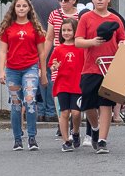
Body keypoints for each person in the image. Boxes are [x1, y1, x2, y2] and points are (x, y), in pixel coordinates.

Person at [74, 0, 125, 154]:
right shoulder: (86, 18)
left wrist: (123, 45)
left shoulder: (115, 19)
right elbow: (77, 41)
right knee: (88, 104)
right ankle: (95, 128)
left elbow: (123, 39)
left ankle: (103, 140)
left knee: (106, 104)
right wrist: (92, 42)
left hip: (111, 67)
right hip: (91, 67)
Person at [0, 0, 48, 151]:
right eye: (18, 6)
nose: (21, 9)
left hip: (30, 68)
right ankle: (17, 139)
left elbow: (42, 53)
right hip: (12, 70)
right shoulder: (8, 28)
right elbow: (2, 52)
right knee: (16, 105)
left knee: (30, 100)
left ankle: (32, 137)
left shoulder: (35, 28)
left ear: (29, 9)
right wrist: (1, 71)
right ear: (14, 8)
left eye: (24, 6)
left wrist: (43, 73)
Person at [43, 0, 84, 144]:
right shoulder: (54, 14)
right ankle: (65, 135)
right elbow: (49, 38)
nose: (62, 2)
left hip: (77, 64)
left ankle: (75, 130)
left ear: (74, 0)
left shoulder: (80, 15)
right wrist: (43, 62)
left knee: (76, 111)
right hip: (59, 60)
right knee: (62, 108)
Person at [49, 18, 84, 152]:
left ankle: (75, 132)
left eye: (69, 30)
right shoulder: (58, 49)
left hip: (77, 85)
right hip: (62, 85)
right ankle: (66, 141)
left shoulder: (81, 48)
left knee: (76, 113)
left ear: (75, 31)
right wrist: (54, 66)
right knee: (64, 113)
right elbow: (52, 66)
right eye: (64, 30)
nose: (66, 32)